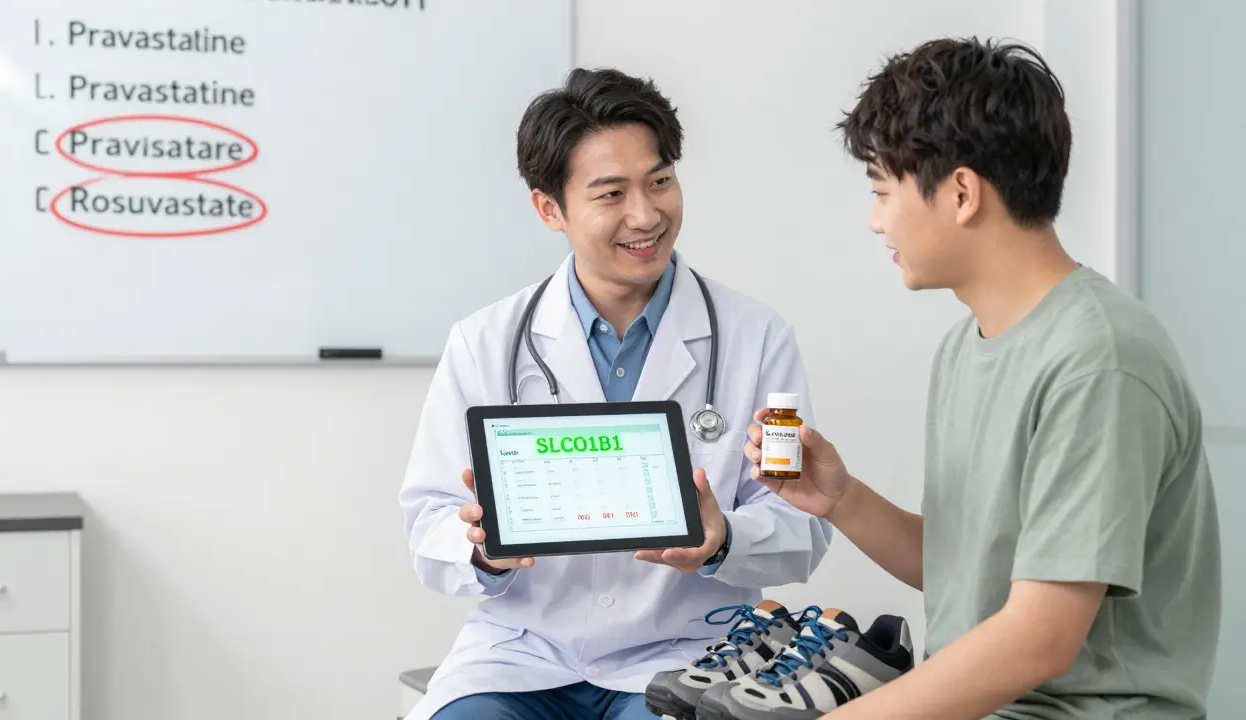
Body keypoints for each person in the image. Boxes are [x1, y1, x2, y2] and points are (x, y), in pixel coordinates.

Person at [731, 37, 1221, 719]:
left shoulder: (1099, 361)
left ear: (961, 192)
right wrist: (841, 499)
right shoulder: (968, 346)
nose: (875, 220)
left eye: (882, 191)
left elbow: (1038, 641)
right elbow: (969, 574)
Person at [398, 67, 832, 720]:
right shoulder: (484, 343)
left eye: (659, 181)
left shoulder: (756, 338)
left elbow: (800, 522)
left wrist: (722, 539)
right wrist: (482, 552)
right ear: (551, 209)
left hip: (691, 650)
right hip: (523, 650)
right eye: (611, 193)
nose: (646, 214)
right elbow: (430, 517)